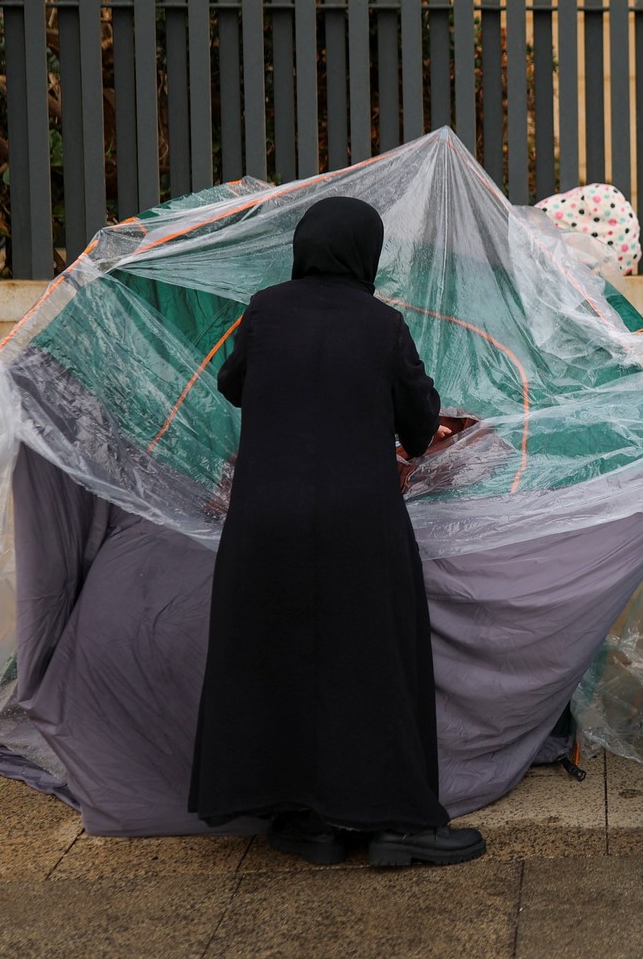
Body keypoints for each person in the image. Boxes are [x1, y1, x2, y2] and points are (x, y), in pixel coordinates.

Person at [188, 195, 486, 868]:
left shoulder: (265, 310)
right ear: (366, 254)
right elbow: (419, 422)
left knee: (275, 658)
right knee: (375, 662)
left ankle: (306, 819)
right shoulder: (382, 325)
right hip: (359, 519)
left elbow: (233, 384)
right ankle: (395, 824)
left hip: (265, 521)